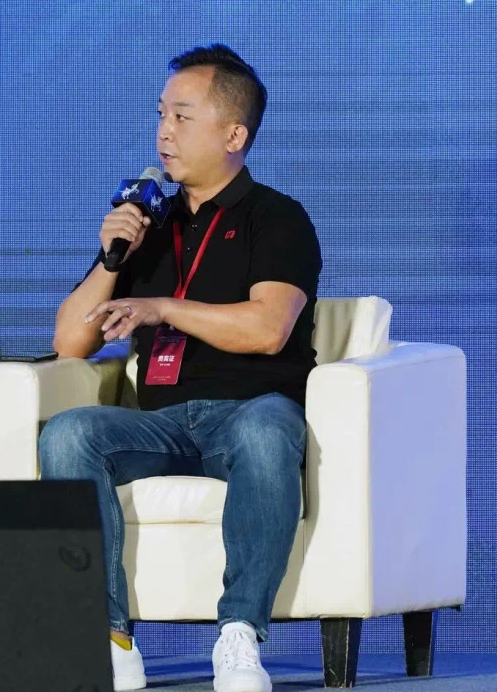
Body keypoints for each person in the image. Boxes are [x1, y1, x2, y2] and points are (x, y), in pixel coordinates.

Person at [38, 43, 321, 692]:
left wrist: (163, 306)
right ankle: (109, 636)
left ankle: (239, 632)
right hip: (162, 423)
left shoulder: (276, 218)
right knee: (70, 432)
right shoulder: (148, 226)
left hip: (249, 415)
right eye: (161, 115)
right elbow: (70, 341)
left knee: (266, 428)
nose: (164, 132)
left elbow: (266, 328)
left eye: (183, 117)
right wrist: (112, 257)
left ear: (234, 135)